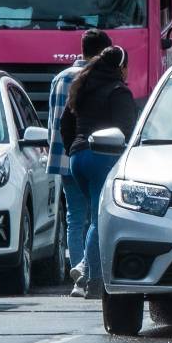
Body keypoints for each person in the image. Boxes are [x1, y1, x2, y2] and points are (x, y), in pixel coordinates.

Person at [61, 46, 137, 299]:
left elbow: (66, 123)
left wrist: (75, 149)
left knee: (84, 218)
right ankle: (93, 280)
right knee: (98, 219)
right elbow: (127, 131)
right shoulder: (119, 92)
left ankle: (84, 267)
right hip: (101, 157)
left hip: (77, 157)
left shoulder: (82, 87)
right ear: (121, 67)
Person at [47, 29, 112, 297]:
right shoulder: (99, 78)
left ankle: (78, 276)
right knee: (96, 215)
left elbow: (53, 120)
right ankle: (89, 272)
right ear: (103, 51)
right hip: (92, 152)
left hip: (64, 155)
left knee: (75, 218)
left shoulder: (60, 78)